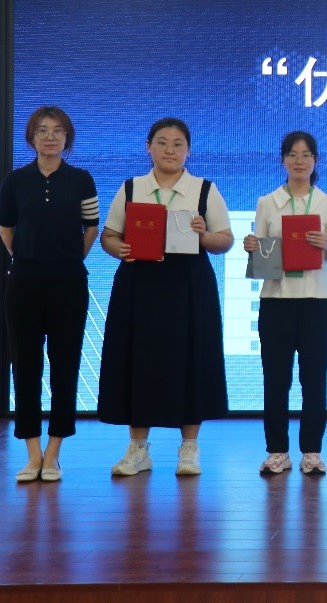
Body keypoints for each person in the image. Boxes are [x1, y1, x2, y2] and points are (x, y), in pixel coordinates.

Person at [98, 117, 233, 476]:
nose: (169, 150)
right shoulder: (132, 187)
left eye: (177, 144)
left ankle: (189, 448)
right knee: (138, 359)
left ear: (188, 150)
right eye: (162, 142)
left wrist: (204, 235)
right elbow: (108, 235)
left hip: (189, 286)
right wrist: (119, 248)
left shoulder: (204, 189)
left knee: (191, 359)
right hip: (140, 283)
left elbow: (225, 241)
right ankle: (138, 449)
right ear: (149, 147)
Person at [0, 106, 99, 482]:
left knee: (65, 365)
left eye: (58, 131)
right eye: (42, 130)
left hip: (69, 283)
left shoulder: (81, 179)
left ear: (67, 137)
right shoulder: (15, 180)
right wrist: (28, 258)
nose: (50, 137)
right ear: (32, 137)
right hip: (23, 282)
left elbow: (91, 228)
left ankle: (54, 454)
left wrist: (67, 259)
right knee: (25, 366)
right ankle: (32, 454)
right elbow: (7, 229)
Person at [243, 132, 327, 476]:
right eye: (292, 154)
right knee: (275, 380)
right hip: (276, 302)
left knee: (314, 380)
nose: (299, 161)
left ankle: (312, 452)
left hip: (316, 302)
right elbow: (263, 261)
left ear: (315, 160)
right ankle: (277, 451)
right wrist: (253, 248)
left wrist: (326, 245)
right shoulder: (267, 202)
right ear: (283, 159)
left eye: (306, 155)